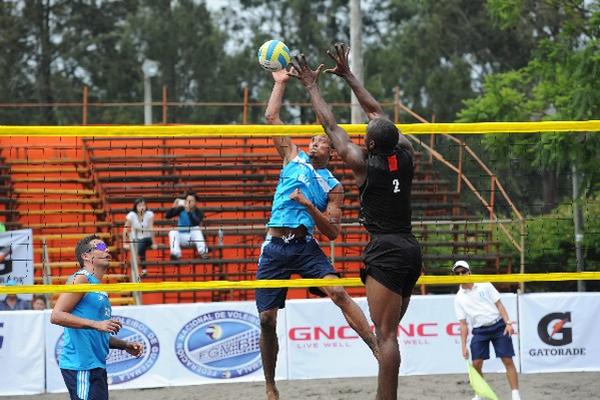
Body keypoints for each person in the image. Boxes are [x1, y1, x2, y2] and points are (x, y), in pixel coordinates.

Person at [290, 43, 422, 400]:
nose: (362, 133)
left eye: (365, 135)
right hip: (410, 249)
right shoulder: (406, 153)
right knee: (389, 332)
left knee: (386, 337)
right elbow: (376, 112)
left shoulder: (364, 164)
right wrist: (349, 76)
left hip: (387, 250)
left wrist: (312, 86)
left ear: (371, 146)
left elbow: (329, 126)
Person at [257, 68, 378, 400]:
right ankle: (270, 385)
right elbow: (271, 116)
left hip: (304, 243)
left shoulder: (333, 186)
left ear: (332, 152)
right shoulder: (292, 157)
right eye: (312, 139)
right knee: (267, 319)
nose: (314, 141)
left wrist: (309, 206)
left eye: (321, 140)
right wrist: (280, 82)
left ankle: (376, 348)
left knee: (338, 292)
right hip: (274, 246)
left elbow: (334, 232)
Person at [51, 235, 143, 400]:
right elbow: (56, 315)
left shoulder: (97, 286)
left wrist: (125, 345)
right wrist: (97, 324)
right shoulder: (81, 278)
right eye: (100, 248)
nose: (106, 250)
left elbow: (98, 331)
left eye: (106, 247)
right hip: (81, 365)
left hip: (95, 365)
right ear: (86, 256)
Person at [452, 260, 522, 400]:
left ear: (469, 271)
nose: (461, 274)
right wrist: (463, 346)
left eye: (463, 271)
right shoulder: (458, 298)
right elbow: (463, 325)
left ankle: (515, 394)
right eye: (457, 273)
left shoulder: (484, 284)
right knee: (476, 364)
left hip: (498, 326)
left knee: (507, 359)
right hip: (479, 330)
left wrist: (508, 323)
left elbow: (500, 305)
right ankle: (480, 393)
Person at [166, 192, 209, 260]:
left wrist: (189, 212)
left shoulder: (198, 212)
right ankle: (176, 254)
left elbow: (195, 223)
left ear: (195, 202)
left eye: (191, 201)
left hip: (193, 238)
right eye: (187, 200)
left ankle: (203, 252)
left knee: (196, 229)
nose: (188, 202)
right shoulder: (181, 209)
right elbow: (167, 216)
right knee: (172, 232)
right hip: (181, 237)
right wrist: (174, 206)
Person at [123, 198, 157, 275]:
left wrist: (154, 243)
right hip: (136, 239)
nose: (142, 207)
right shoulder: (131, 215)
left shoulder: (149, 214)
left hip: (147, 238)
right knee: (140, 245)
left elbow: (151, 228)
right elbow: (125, 229)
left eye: (143, 205)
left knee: (141, 244)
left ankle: (137, 265)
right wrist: (125, 243)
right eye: (139, 205)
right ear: (135, 207)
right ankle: (144, 270)